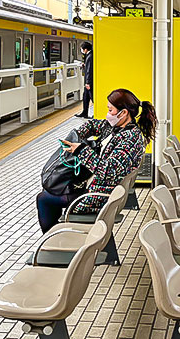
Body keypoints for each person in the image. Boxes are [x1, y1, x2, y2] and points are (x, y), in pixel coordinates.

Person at [37, 88, 158, 233]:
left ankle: (52, 236)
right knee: (54, 189)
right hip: (99, 187)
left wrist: (81, 150)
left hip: (98, 196)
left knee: (44, 198)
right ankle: (56, 233)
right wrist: (79, 134)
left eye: (111, 110)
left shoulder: (130, 139)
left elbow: (108, 171)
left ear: (124, 113)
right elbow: (95, 125)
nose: (108, 115)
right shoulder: (118, 128)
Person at [76, 41, 93, 118]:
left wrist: (88, 82)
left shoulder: (90, 56)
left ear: (85, 49)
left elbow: (89, 70)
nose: (82, 51)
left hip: (89, 82)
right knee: (85, 97)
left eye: (82, 49)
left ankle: (95, 112)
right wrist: (85, 65)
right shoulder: (90, 55)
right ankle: (84, 112)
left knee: (92, 97)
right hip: (88, 81)